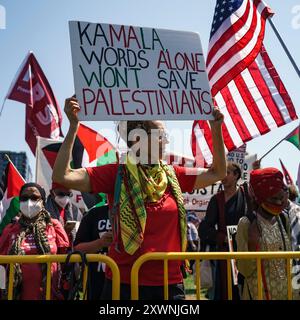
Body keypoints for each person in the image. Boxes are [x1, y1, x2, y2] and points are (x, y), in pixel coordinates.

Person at [52, 96, 226, 300]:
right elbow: (62, 176)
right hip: (123, 282)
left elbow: (218, 173)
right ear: (137, 139)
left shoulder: (174, 175)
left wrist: (216, 128)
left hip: (170, 283)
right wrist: (74, 125)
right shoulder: (115, 174)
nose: (167, 140)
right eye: (161, 135)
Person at [0, 183, 69, 300]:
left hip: (48, 295)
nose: (29, 202)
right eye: (24, 198)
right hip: (16, 296)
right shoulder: (10, 229)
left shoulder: (54, 225)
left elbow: (65, 261)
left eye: (34, 198)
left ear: (42, 202)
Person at [236, 168, 292, 300]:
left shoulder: (283, 219)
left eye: (281, 197)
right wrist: (252, 243)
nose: (279, 202)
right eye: (274, 198)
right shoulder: (246, 223)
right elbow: (244, 270)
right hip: (259, 294)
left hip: (287, 294)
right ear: (261, 197)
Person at [199, 161, 246, 300]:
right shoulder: (216, 200)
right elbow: (205, 229)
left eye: (227, 173)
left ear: (236, 175)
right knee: (227, 292)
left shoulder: (246, 196)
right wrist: (224, 238)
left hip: (246, 253)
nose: (223, 177)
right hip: (225, 254)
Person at [74, 203, 113, 300]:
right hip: (98, 283)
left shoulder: (139, 214)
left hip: (129, 281)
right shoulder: (94, 214)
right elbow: (78, 249)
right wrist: (100, 243)